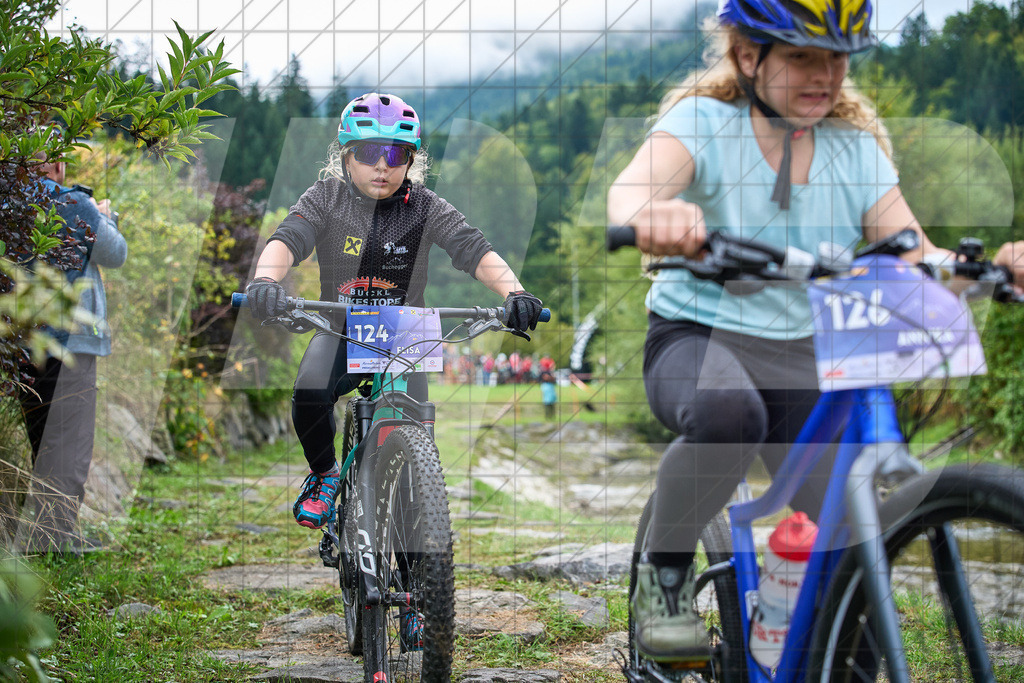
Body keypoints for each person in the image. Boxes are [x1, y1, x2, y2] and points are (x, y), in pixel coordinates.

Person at [607, 0, 1024, 662]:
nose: (825, 74)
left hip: (807, 356)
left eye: (835, 57)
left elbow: (911, 254)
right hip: (698, 334)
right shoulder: (701, 123)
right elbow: (631, 193)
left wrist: (987, 269)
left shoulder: (854, 151)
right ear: (749, 55)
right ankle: (664, 577)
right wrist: (657, 216)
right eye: (802, 54)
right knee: (726, 411)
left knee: (845, 530)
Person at [245, 93, 544, 531]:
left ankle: (413, 567)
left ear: (410, 160)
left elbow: (474, 249)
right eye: (369, 152)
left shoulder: (425, 206)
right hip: (341, 332)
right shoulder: (326, 197)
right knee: (310, 393)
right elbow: (288, 239)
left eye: (396, 153)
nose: (382, 165)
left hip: (406, 339)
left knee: (415, 458)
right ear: (347, 157)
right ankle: (325, 475)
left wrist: (516, 293)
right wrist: (266, 281)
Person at [18, 150, 127, 556]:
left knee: (42, 439)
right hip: (73, 344)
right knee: (72, 443)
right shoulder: (75, 203)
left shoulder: (10, 203)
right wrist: (105, 215)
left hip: (20, 341)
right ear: (57, 165)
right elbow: (115, 253)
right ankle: (57, 540)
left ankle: (47, 534)